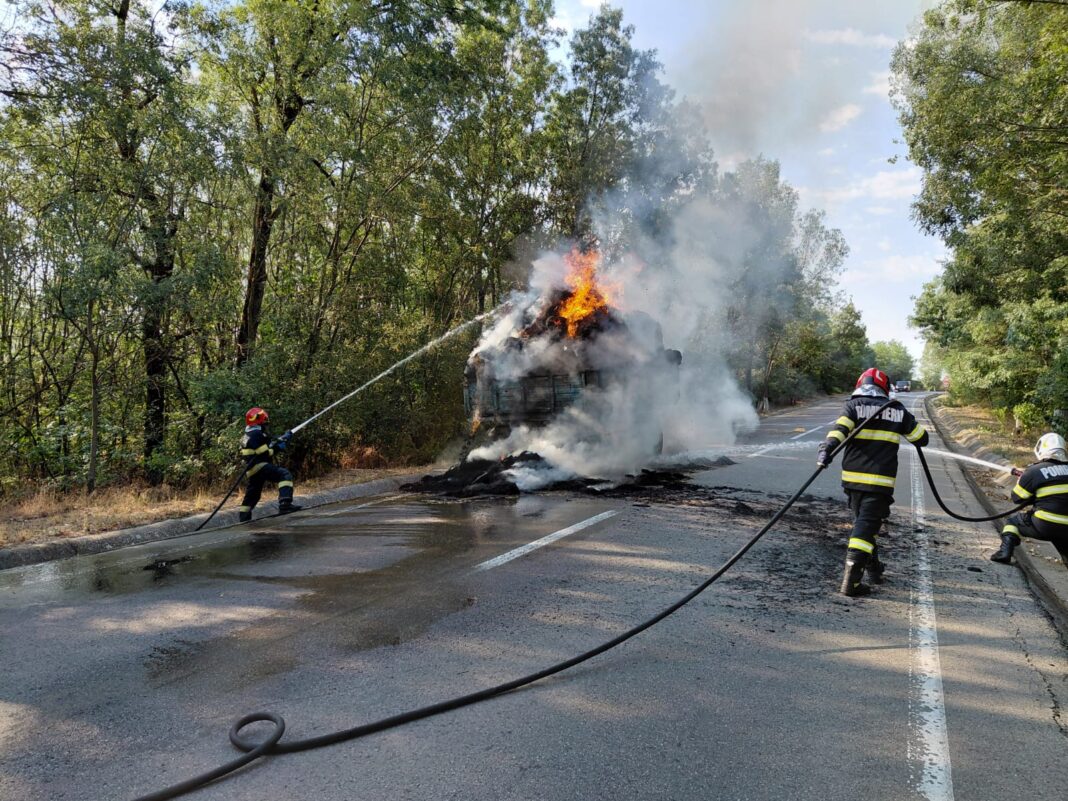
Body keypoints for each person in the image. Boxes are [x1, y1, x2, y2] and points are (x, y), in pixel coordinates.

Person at [817, 368, 930, 597]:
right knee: (865, 526)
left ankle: (875, 570)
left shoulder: (852, 406)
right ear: (884, 387)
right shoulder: (896, 409)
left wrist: (825, 451)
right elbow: (921, 438)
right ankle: (851, 583)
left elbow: (838, 432)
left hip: (852, 480)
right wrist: (903, 420)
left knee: (865, 524)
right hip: (880, 481)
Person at [990, 433, 1068, 567]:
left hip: (1044, 525)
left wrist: (1022, 480)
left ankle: (1004, 552)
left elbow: (1017, 498)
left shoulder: (1034, 471)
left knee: (1012, 523)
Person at [238, 407, 301, 522]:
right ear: (258, 421)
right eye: (263, 423)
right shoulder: (257, 434)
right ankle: (285, 504)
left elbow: (267, 445)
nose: (265, 425)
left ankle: (244, 518)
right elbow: (266, 453)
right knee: (284, 475)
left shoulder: (247, 435)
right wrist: (278, 447)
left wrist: (282, 439)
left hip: (252, 470)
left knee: (253, 494)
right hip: (260, 465)